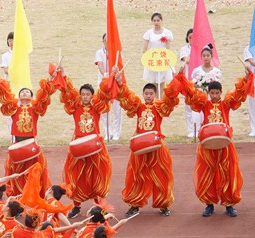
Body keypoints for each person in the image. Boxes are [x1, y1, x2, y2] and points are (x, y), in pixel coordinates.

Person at [180, 65, 251, 217]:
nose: (214, 95)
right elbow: (190, 93)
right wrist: (181, 77)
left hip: (225, 145)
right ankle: (209, 204)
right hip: (207, 145)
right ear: (208, 93)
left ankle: (229, 204)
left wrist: (246, 78)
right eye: (212, 93)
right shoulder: (204, 104)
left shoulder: (226, 104)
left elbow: (239, 93)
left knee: (228, 173)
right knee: (207, 174)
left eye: (217, 93)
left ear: (220, 93)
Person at [115, 71, 182, 217]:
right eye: (146, 93)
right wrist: (120, 83)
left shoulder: (159, 106)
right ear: (143, 94)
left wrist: (177, 79)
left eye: (151, 93)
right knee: (136, 176)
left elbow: (170, 99)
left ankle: (163, 205)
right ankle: (134, 205)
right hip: (139, 148)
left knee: (161, 176)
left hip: (156, 147)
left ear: (155, 94)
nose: (148, 96)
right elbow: (126, 96)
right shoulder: (138, 105)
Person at [0, 67, 57, 196]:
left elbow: (44, 95)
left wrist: (50, 78)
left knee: (38, 171)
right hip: (17, 144)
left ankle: (37, 195)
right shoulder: (14, 107)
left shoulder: (35, 107)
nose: (25, 93)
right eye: (23, 92)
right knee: (14, 172)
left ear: (32, 96)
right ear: (19, 96)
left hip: (31, 144)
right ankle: (16, 196)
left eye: (28, 92)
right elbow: (4, 95)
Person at [56, 66, 113, 218]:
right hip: (79, 146)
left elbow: (105, 94)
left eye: (88, 94)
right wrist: (63, 74)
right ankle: (76, 206)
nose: (85, 97)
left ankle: (99, 207)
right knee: (76, 176)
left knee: (96, 176)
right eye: (83, 94)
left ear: (92, 95)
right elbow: (67, 93)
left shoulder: (97, 107)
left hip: (94, 146)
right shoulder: (75, 107)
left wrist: (111, 76)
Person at [190, 45, 223, 135]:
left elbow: (218, 85)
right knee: (198, 114)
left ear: (211, 57)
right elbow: (193, 84)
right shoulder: (196, 71)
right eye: (204, 56)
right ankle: (197, 131)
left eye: (208, 55)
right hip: (200, 97)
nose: (206, 57)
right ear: (201, 57)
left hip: (212, 97)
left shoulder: (216, 71)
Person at [95, 33, 122, 140]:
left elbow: (120, 66)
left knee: (116, 109)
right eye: (105, 40)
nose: (107, 42)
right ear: (103, 41)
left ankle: (116, 133)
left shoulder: (117, 53)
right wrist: (105, 74)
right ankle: (107, 132)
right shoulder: (99, 52)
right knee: (104, 110)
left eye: (109, 40)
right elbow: (100, 64)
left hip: (115, 84)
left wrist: (114, 74)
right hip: (103, 84)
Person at [141, 12, 173, 93]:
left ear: (161, 21)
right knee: (154, 82)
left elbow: (169, 49)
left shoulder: (167, 33)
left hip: (163, 59)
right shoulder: (149, 33)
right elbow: (144, 49)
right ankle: (154, 101)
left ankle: (161, 101)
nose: (156, 22)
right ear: (152, 22)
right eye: (154, 20)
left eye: (158, 20)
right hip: (153, 60)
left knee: (162, 82)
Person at [179, 28, 196, 137]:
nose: (192, 40)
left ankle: (200, 127)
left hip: (200, 80)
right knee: (188, 106)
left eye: (194, 38)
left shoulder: (203, 49)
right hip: (187, 81)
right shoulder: (184, 49)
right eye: (190, 38)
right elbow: (188, 60)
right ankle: (191, 130)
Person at [245, 46, 255, 137]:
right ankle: (253, 128)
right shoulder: (248, 48)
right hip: (252, 81)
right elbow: (250, 62)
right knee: (252, 106)